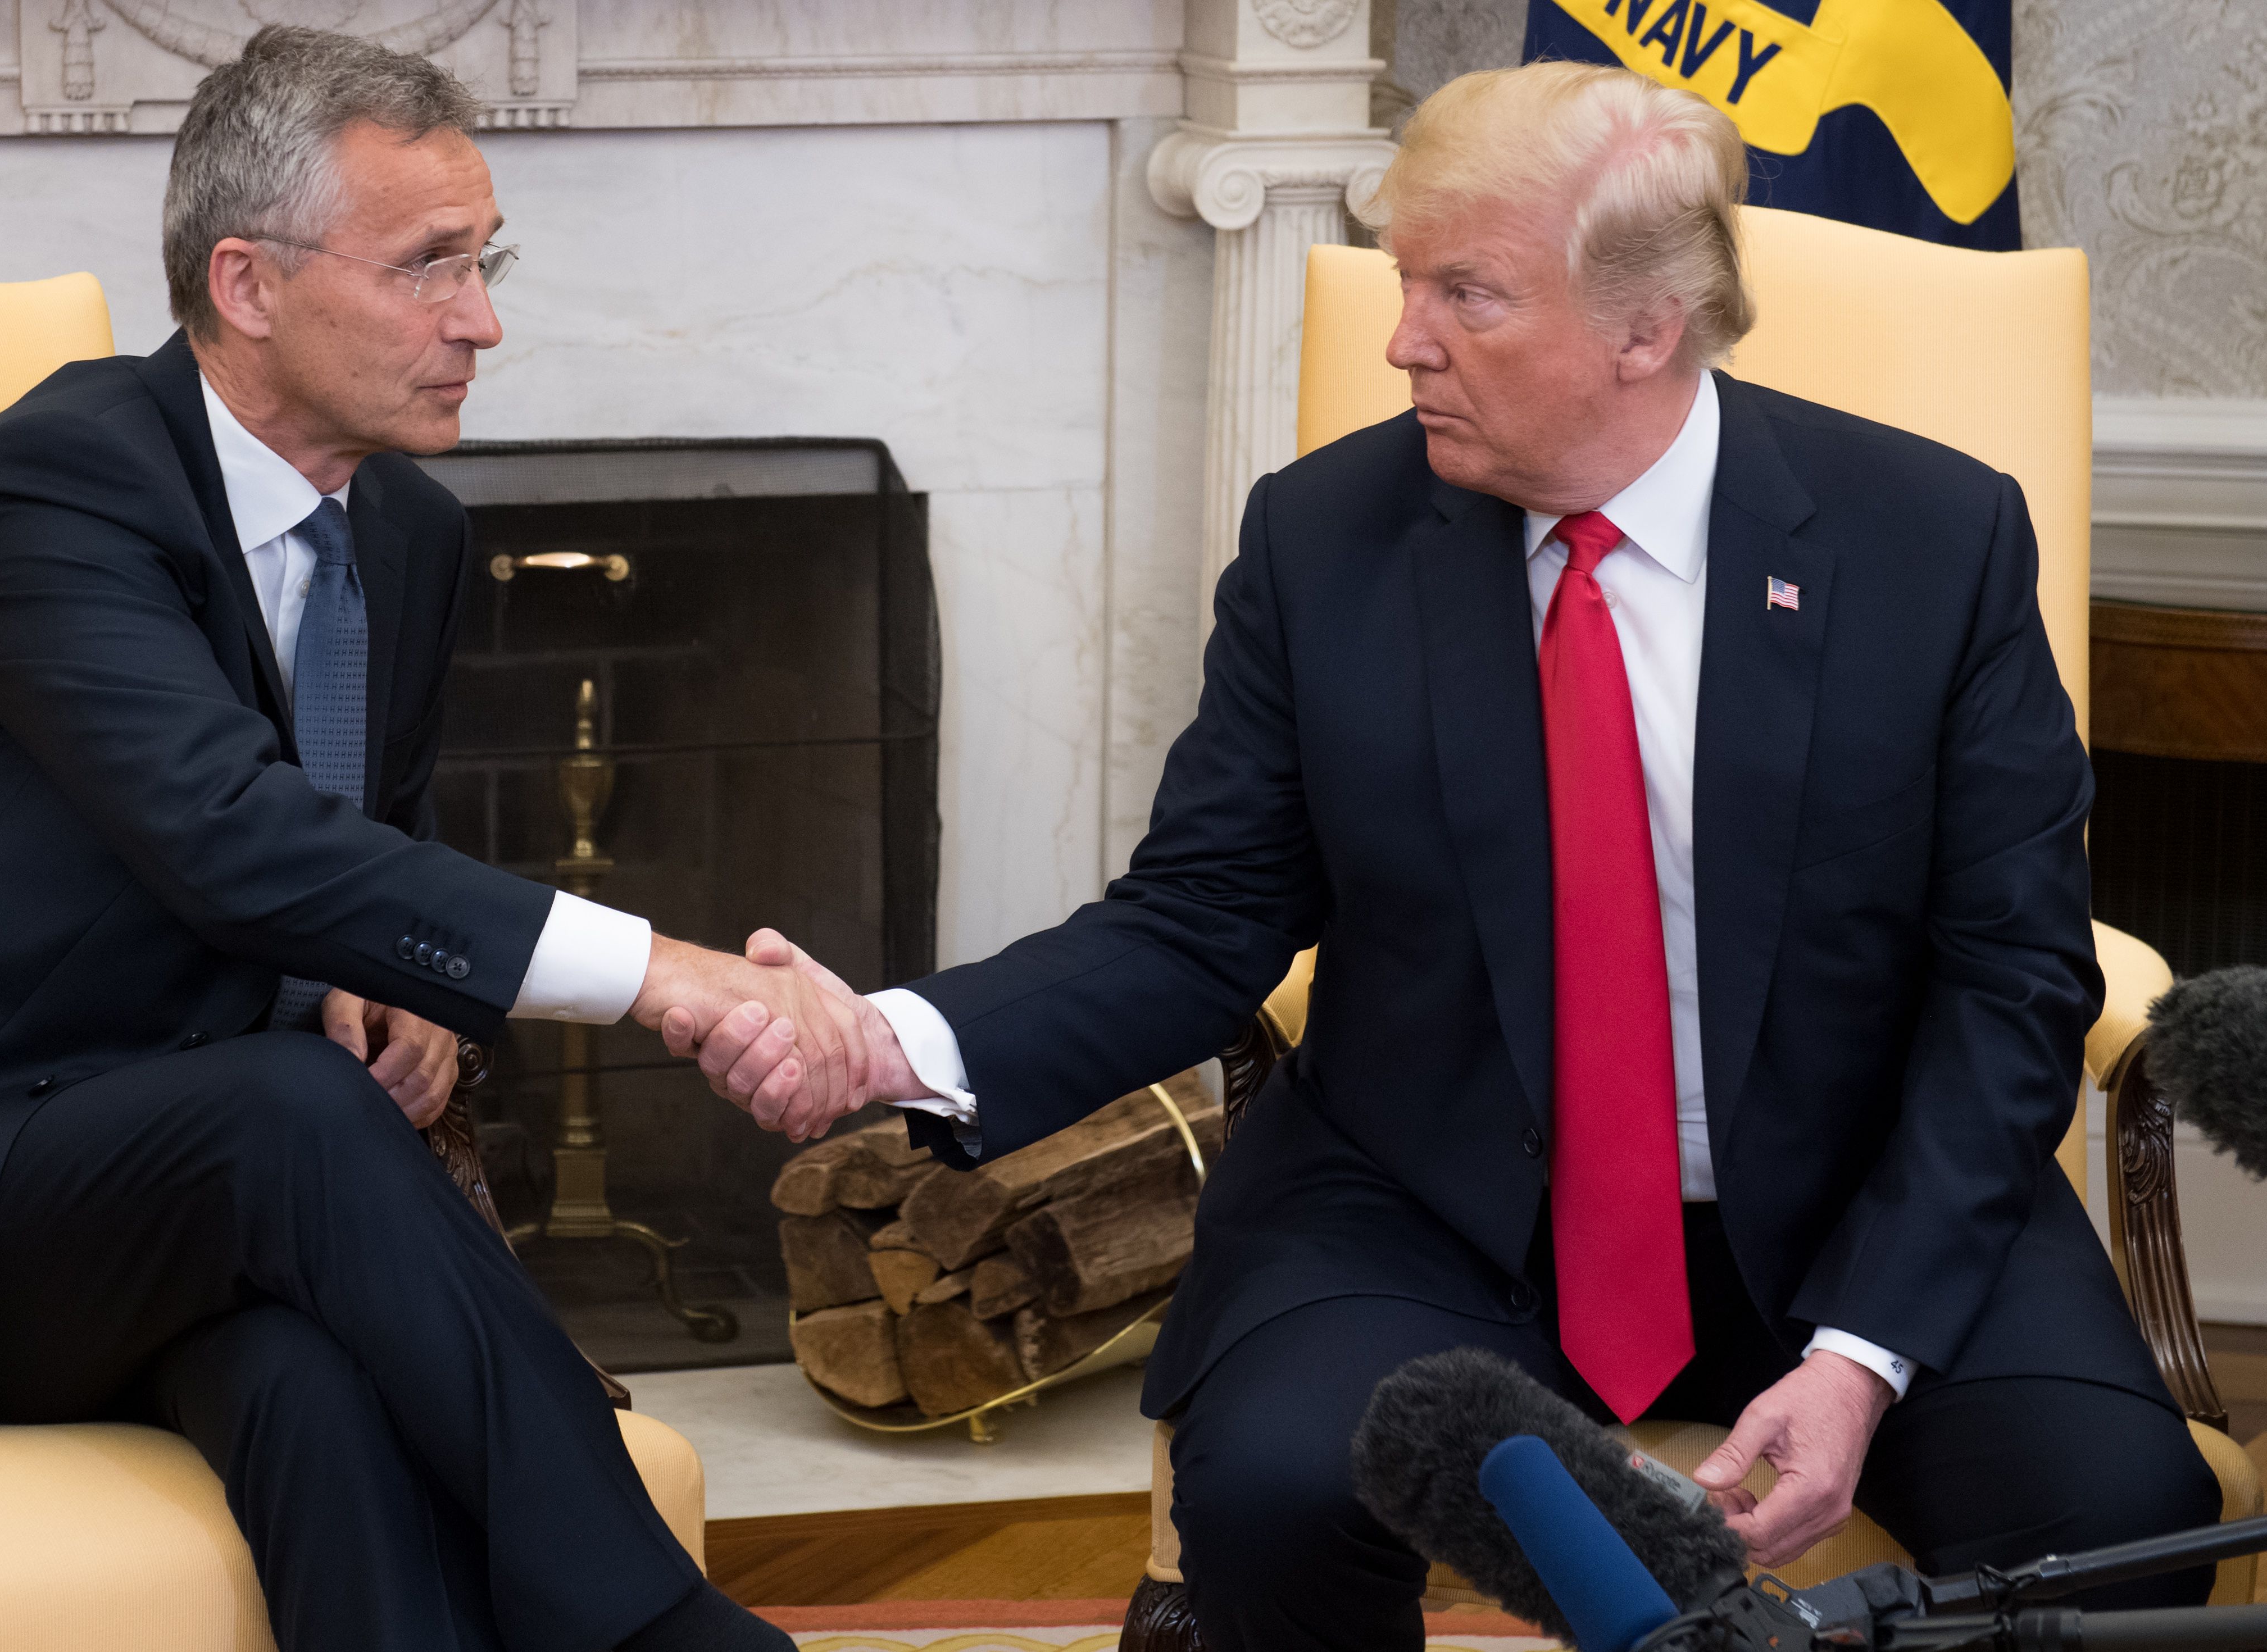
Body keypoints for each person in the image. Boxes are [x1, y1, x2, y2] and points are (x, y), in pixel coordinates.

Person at [670, 61, 2221, 1652]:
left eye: (1464, 294)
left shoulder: (1932, 540)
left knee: (2119, 1517)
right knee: (1278, 1487)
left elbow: (2011, 974)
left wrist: (1861, 1355)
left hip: (1863, 1192)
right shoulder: (1321, 539)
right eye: (1404, 282)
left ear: (1645, 329)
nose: (1404, 339)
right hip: (1432, 1201)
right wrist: (893, 1040)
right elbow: (1200, 914)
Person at [0, 26, 844, 1652]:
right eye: (428, 267)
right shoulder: (54, 486)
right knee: (289, 1113)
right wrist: (664, 975)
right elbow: (233, 838)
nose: (482, 320)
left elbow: (367, 863)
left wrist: (403, 995)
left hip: (186, 1217)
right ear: (248, 282)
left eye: (485, 263)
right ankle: (658, 1632)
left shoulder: (409, 534)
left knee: (315, 1390)